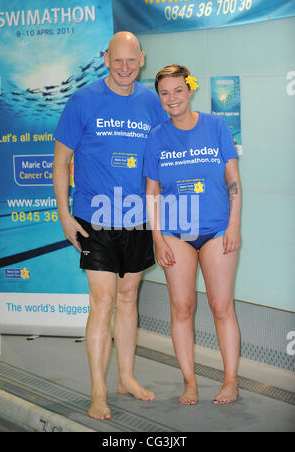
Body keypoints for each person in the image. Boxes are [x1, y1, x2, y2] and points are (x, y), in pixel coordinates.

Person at [53, 32, 167, 420]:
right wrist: (65, 216)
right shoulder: (83, 100)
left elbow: (161, 161)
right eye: (117, 60)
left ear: (142, 59)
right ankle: (98, 390)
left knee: (128, 298)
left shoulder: (152, 104)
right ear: (105, 58)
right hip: (93, 217)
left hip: (136, 218)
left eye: (130, 61)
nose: (123, 68)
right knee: (102, 301)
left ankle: (126, 377)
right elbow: (60, 162)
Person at [144, 65, 242, 406]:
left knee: (221, 306)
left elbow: (233, 182)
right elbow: (152, 192)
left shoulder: (216, 126)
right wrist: (157, 237)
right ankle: (190, 382)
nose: (172, 99)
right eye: (164, 93)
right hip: (175, 233)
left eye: (178, 91)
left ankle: (230, 380)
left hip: (217, 230)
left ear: (190, 90)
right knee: (182, 308)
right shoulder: (156, 137)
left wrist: (233, 227)